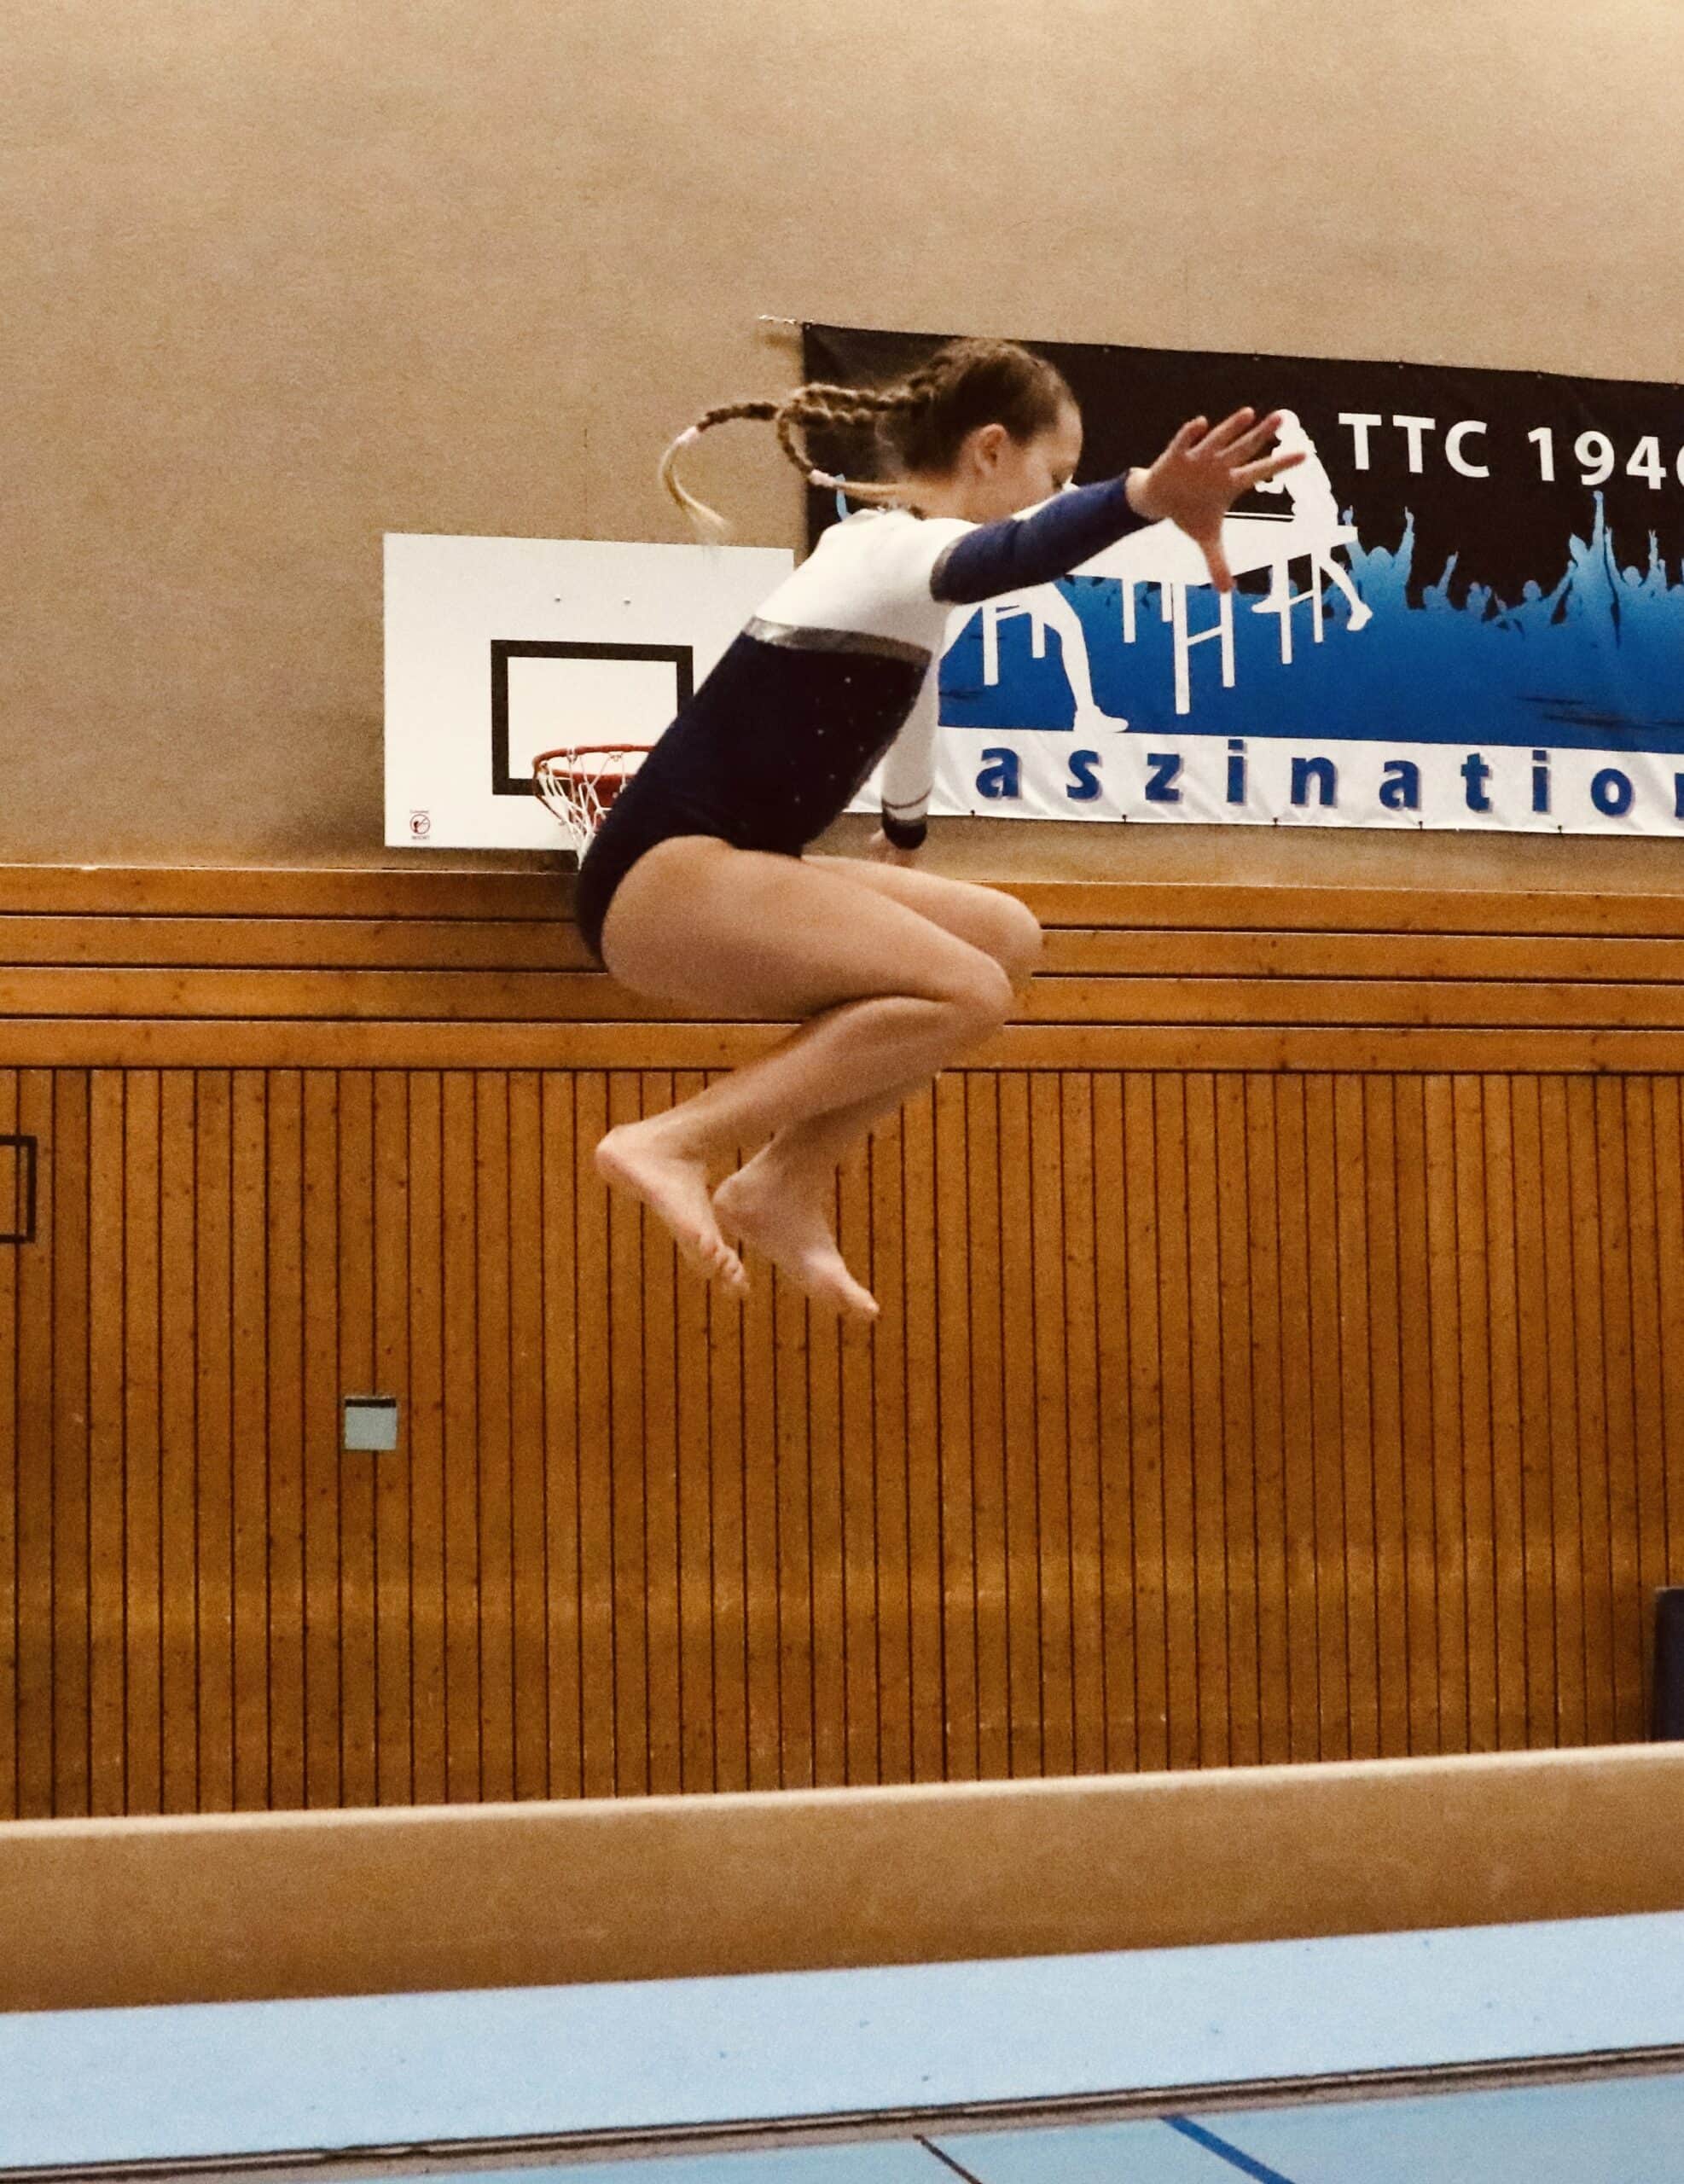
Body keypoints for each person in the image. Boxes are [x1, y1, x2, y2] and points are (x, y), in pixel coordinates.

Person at [576, 340, 1301, 1321]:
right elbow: (1012, 555)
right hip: (662, 874)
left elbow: (909, 694)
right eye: (1055, 474)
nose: (1056, 497)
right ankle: (674, 1140)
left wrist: (906, 827)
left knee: (1003, 937)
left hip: (718, 865)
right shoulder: (890, 547)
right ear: (990, 450)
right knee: (967, 991)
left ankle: (783, 1179)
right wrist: (1143, 495)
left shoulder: (895, 572)